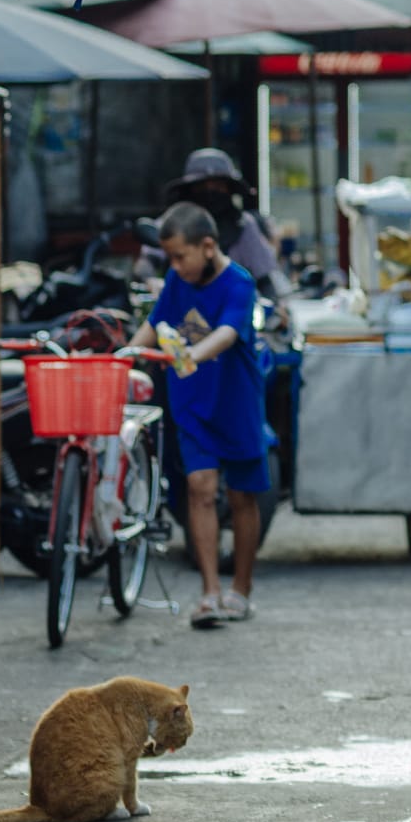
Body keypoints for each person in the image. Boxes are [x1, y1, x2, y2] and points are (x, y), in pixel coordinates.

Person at [126, 202, 267, 629]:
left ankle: (240, 590)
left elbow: (226, 333)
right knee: (199, 487)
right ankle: (209, 594)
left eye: (179, 256)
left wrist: (191, 355)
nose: (174, 265)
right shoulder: (176, 279)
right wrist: (127, 359)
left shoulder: (239, 283)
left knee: (243, 497)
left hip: (236, 403)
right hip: (191, 404)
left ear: (208, 247)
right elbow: (155, 322)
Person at [139, 147, 288, 305]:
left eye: (218, 186)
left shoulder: (243, 226)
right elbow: (147, 261)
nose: (210, 192)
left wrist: (274, 309)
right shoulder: (174, 222)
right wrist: (150, 280)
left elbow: (264, 279)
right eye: (202, 186)